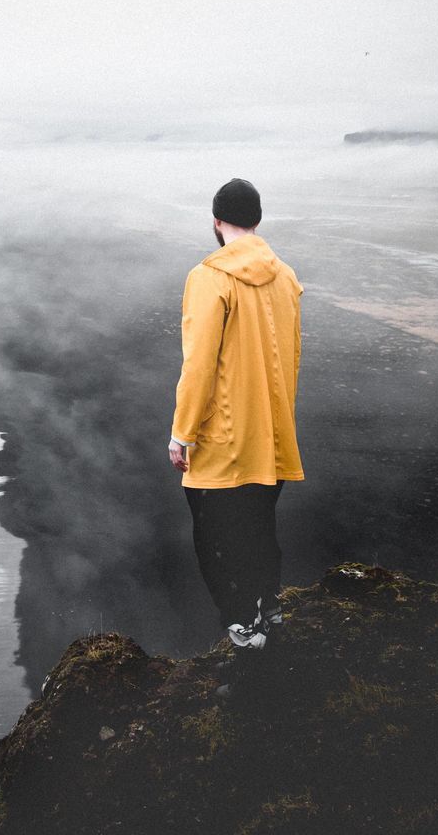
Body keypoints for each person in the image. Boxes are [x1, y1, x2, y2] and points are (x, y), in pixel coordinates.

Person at [168, 177, 304, 653]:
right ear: (258, 220)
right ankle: (269, 609)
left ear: (216, 221)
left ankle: (245, 631)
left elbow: (199, 364)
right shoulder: (285, 276)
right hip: (270, 436)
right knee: (259, 529)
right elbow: (292, 357)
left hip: (224, 442)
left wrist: (182, 434)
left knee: (215, 542)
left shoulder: (210, 277)